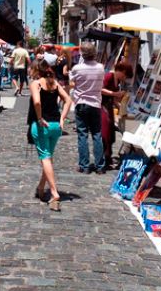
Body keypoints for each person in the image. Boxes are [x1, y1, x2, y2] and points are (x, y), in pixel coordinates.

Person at [27, 59, 73, 212]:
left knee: (45, 158)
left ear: (36, 70)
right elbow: (68, 100)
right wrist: (62, 118)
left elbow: (37, 102)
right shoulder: (54, 83)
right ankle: (41, 187)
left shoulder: (36, 84)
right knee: (48, 158)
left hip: (43, 126)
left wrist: (40, 118)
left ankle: (54, 192)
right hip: (55, 126)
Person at [70, 43, 106, 174]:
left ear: (82, 54)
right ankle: (100, 166)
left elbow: (72, 83)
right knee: (97, 134)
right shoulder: (101, 68)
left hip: (81, 103)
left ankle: (84, 166)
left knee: (82, 135)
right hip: (95, 103)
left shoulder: (76, 68)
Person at [101, 62, 132, 169]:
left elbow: (113, 98)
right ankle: (103, 159)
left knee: (110, 133)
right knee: (105, 132)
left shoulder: (117, 80)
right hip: (102, 105)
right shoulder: (108, 76)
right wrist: (115, 94)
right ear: (122, 71)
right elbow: (101, 89)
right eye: (125, 76)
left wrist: (119, 106)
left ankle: (107, 157)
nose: (124, 78)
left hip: (109, 106)